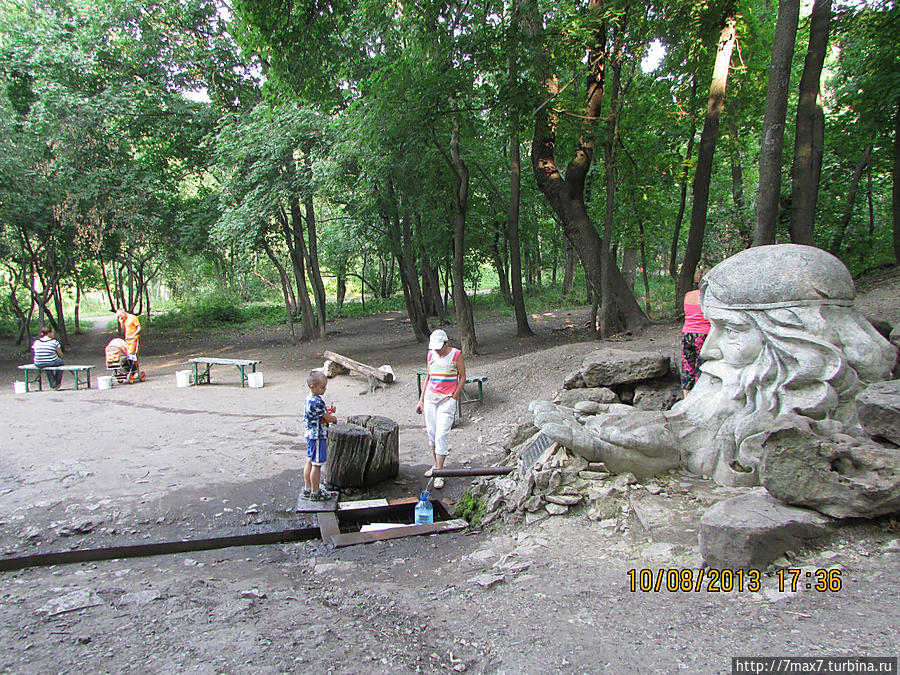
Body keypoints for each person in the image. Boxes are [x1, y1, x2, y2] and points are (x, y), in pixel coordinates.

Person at [531, 244, 897, 487]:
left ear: (803, 343)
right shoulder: (743, 395)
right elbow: (700, 439)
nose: (707, 350)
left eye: (731, 329)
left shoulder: (847, 435)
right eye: (712, 327)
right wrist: (633, 447)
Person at [415, 329, 466, 489]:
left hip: (447, 399)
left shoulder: (456, 354)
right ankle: (436, 466)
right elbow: (428, 377)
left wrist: (454, 396)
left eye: (440, 347)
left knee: (441, 434)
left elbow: (462, 376)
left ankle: (440, 472)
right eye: (435, 347)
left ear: (447, 343)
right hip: (431, 398)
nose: (437, 350)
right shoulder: (431, 355)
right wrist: (421, 400)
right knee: (432, 433)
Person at [303, 370, 338, 501]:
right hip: (318, 435)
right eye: (322, 387)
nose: (324, 390)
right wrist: (333, 418)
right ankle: (315, 491)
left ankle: (308, 488)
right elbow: (326, 418)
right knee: (317, 464)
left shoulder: (309, 398)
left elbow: (318, 415)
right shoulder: (318, 402)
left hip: (310, 434)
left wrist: (328, 411)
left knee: (309, 461)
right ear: (313, 387)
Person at [681, 268, 711, 397]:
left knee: (688, 367)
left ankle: (686, 398)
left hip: (687, 333)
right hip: (703, 335)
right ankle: (699, 397)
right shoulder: (708, 297)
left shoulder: (688, 295)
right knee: (701, 367)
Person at [32, 325, 65, 390]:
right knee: (61, 363)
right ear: (49, 333)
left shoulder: (36, 342)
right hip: (51, 361)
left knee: (46, 364)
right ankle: (56, 384)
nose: (53, 334)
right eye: (52, 332)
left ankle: (53, 383)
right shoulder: (54, 342)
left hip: (38, 362)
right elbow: (61, 355)